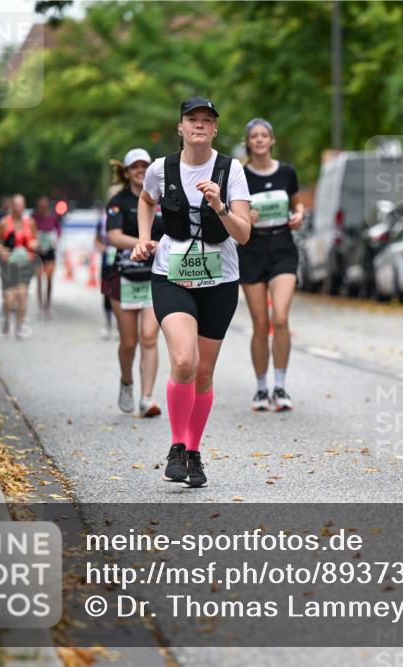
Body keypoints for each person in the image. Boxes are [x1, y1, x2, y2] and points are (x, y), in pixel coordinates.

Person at [131, 96, 251, 488]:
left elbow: (244, 234)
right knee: (183, 360)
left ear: (215, 128)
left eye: (207, 120)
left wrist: (219, 205)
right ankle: (176, 447)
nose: (199, 125)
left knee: (203, 372)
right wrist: (145, 238)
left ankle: (194, 453)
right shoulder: (160, 169)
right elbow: (146, 200)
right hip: (172, 275)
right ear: (180, 127)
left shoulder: (231, 170)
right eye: (192, 119)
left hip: (220, 280)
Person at [239, 118, 305, 411]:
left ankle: (280, 386)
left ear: (272, 140)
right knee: (260, 323)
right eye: (254, 136)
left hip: (282, 248)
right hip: (252, 249)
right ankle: (261, 388)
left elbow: (298, 203)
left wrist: (299, 214)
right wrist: (245, 218)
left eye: (264, 135)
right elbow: (231, 211)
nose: (260, 140)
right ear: (248, 142)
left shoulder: (287, 172)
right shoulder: (240, 175)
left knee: (279, 318)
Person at [104, 148, 165, 418]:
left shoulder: (163, 196)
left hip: (156, 275)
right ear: (127, 172)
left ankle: (147, 398)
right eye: (135, 167)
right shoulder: (118, 201)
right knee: (129, 341)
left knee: (149, 336)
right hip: (123, 275)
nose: (141, 170)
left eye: (145, 165)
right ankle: (127, 381)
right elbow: (114, 236)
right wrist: (144, 244)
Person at [0, 194, 39, 337]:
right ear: (12, 206)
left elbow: (35, 240)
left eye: (21, 205)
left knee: (23, 295)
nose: (19, 208)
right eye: (16, 205)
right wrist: (2, 250)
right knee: (9, 299)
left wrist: (34, 245)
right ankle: (6, 318)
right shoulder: (4, 223)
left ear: (24, 206)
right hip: (9, 265)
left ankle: (19, 327)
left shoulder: (30, 222)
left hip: (25, 263)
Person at [32, 196, 61, 317]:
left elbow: (59, 230)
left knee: (49, 279)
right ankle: (40, 306)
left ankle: (47, 305)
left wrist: (55, 239)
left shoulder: (53, 218)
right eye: (41, 206)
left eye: (45, 206)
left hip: (49, 252)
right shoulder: (34, 218)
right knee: (39, 279)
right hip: (38, 252)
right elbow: (30, 232)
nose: (43, 208)